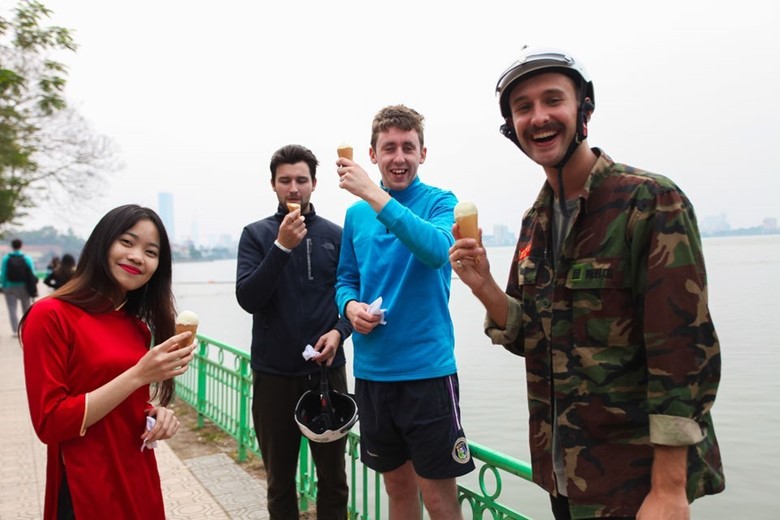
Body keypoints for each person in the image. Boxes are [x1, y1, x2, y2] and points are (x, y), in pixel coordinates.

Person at [449, 46, 724, 519]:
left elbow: (681, 351)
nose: (538, 117)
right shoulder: (535, 222)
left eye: (552, 100)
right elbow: (532, 337)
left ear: (584, 110)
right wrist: (483, 286)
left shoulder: (650, 202)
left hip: (637, 483)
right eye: (523, 108)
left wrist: (669, 488)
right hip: (565, 475)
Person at [335, 104, 475, 520]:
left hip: (427, 373)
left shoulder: (439, 202)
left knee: (438, 499)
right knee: (398, 492)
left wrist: (374, 195)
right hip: (373, 374)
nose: (399, 158)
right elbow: (345, 279)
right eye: (389, 148)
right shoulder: (355, 215)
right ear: (373, 154)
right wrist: (350, 306)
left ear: (423, 154)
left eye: (408, 148)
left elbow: (436, 251)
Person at [20, 204, 197, 519]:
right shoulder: (50, 316)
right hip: (86, 486)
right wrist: (139, 375)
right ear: (102, 243)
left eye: (151, 252)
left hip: (137, 474)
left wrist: (154, 414)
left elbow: (124, 402)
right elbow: (50, 423)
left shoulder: (137, 327)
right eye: (127, 243)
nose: (137, 256)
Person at [236, 144, 353, 520]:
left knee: (334, 480)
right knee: (279, 481)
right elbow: (249, 298)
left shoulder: (337, 235)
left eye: (301, 180)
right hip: (273, 377)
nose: (293, 188)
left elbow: (354, 298)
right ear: (272, 184)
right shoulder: (256, 235)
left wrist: (339, 332)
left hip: (327, 374)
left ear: (314, 184)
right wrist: (281, 247)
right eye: (285, 180)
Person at [1, 238, 36, 336]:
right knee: (26, 308)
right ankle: (27, 328)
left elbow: (3, 273)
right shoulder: (27, 258)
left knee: (12, 308)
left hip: (9, 286)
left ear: (12, 246)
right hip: (24, 286)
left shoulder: (6, 258)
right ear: (21, 245)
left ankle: (15, 331)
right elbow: (32, 273)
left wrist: (3, 285)